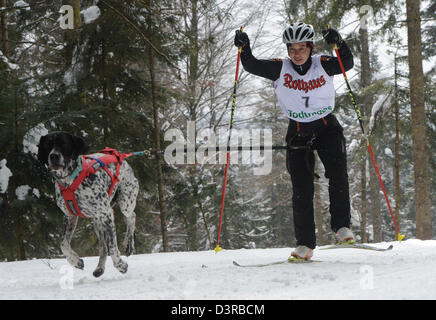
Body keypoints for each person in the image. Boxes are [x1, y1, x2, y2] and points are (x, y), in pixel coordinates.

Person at [234, 22, 355, 260]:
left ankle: (341, 226)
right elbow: (250, 64)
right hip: (298, 132)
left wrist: (338, 43)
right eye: (292, 48)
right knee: (302, 188)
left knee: (338, 174)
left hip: (327, 128)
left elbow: (347, 63)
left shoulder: (323, 64)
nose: (296, 54)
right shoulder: (280, 68)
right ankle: (305, 244)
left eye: (301, 48)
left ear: (310, 47)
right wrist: (244, 46)